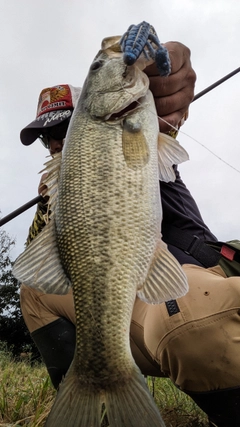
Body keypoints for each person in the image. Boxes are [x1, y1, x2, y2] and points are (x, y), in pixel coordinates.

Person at [18, 43, 240, 427]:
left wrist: (165, 83)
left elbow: (167, 103)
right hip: (127, 305)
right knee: (33, 290)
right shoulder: (60, 191)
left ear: (84, 122)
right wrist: (47, 206)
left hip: (189, 280)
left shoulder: (135, 136)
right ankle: (94, 400)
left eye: (63, 128)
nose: (56, 142)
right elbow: (47, 265)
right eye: (46, 136)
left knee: (183, 320)